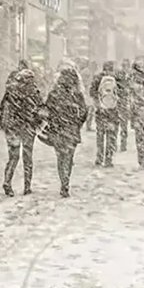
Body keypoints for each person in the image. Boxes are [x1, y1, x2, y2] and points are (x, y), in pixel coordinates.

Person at [0, 67, 42, 196]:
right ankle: (27, 187)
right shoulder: (33, 91)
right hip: (27, 126)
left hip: (12, 127)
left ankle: (7, 182)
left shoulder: (10, 91)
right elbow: (39, 108)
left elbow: (2, 107)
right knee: (27, 157)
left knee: (13, 157)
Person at [44, 68, 88, 197]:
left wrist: (52, 122)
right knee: (69, 157)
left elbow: (47, 110)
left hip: (58, 129)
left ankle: (63, 180)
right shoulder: (77, 94)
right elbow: (84, 112)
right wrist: (78, 123)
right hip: (71, 129)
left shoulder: (54, 93)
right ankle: (66, 181)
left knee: (60, 157)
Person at [90, 61, 119, 166]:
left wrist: (98, 104)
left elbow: (92, 92)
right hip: (113, 111)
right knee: (111, 134)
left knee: (100, 134)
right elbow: (122, 94)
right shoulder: (117, 78)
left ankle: (99, 156)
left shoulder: (98, 77)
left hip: (101, 111)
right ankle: (109, 158)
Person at [115, 58, 132, 152]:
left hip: (124, 104)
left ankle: (123, 143)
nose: (125, 67)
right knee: (117, 125)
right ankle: (115, 143)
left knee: (123, 126)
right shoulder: (118, 75)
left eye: (126, 65)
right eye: (124, 65)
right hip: (119, 103)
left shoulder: (130, 76)